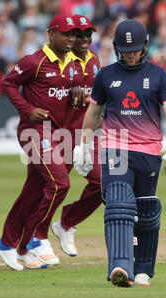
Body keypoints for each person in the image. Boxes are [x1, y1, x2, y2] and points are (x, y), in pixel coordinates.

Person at [73, 19, 166, 287]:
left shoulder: (159, 75)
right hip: (116, 148)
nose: (130, 55)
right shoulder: (105, 75)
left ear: (145, 45)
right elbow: (94, 112)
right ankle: (119, 266)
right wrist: (83, 144)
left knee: (146, 212)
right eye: (125, 51)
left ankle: (142, 270)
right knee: (117, 204)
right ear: (116, 48)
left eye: (135, 50)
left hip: (149, 152)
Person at [0, 15, 85, 271]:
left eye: (73, 35)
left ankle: (8, 243)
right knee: (60, 183)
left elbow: (70, 95)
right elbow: (8, 83)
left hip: (58, 135)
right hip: (34, 132)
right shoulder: (34, 61)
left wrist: (80, 98)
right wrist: (28, 109)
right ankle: (33, 240)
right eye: (66, 34)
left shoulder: (72, 63)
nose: (71, 39)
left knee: (32, 192)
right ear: (50, 34)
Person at [49, 14, 102, 257]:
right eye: (79, 34)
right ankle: (28, 239)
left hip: (89, 135)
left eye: (88, 34)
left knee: (104, 183)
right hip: (63, 135)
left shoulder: (94, 60)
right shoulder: (62, 61)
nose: (84, 39)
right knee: (51, 189)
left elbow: (97, 100)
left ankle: (66, 223)